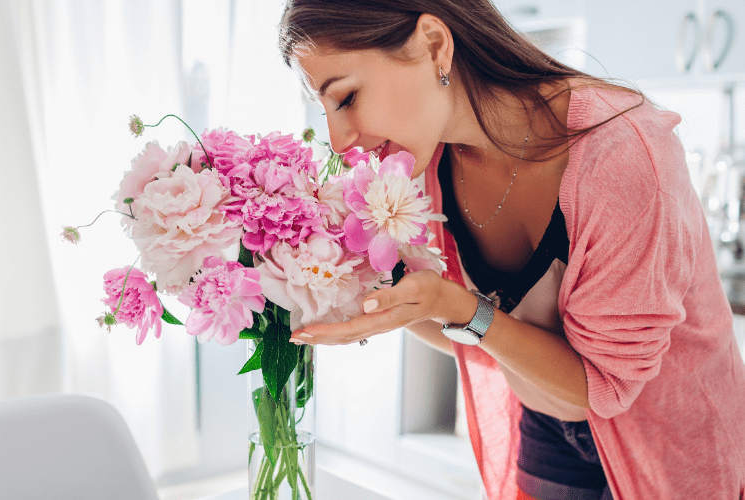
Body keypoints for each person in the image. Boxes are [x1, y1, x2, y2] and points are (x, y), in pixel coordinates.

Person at [278, 1, 745, 499]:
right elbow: (490, 344)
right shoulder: (432, 160)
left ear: (433, 44)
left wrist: (453, 305)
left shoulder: (620, 153)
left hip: (667, 438)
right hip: (547, 420)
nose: (338, 139)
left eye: (346, 98)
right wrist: (360, 301)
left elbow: (600, 388)